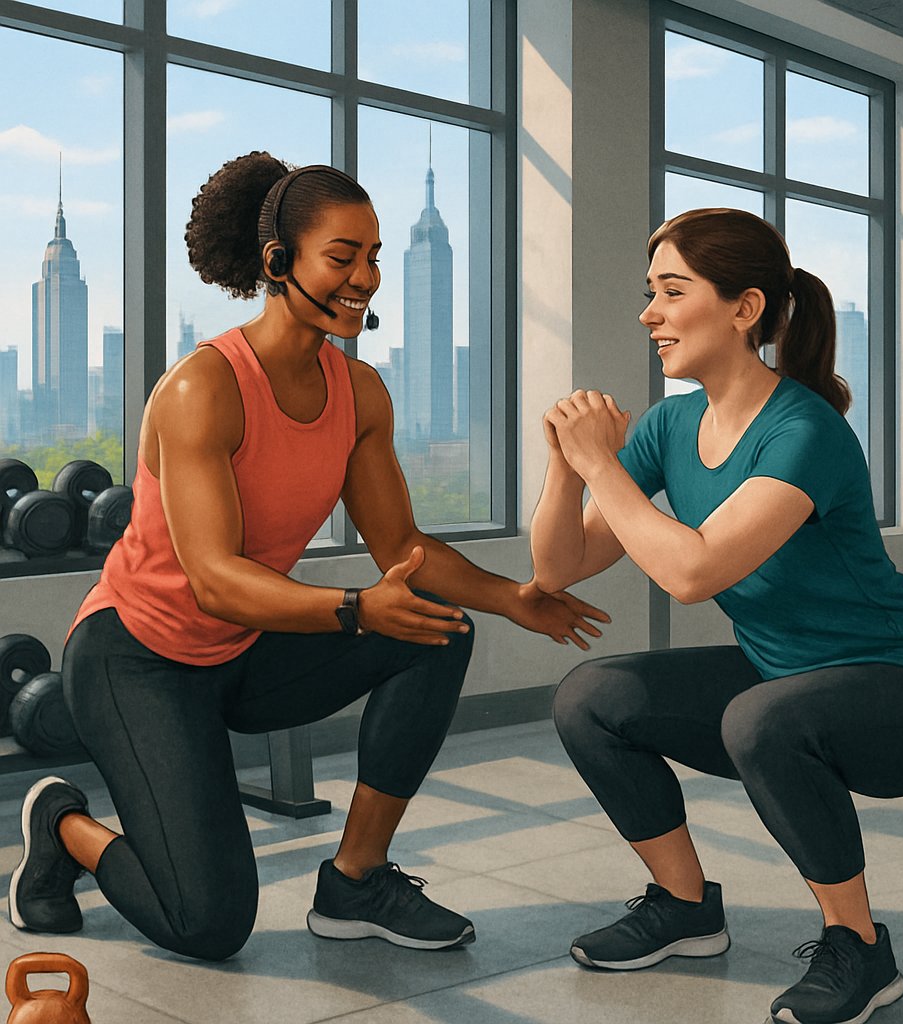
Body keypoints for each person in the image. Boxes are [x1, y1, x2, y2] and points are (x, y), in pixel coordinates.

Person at [9, 152, 609, 963]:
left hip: (245, 651)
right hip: (136, 658)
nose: (365, 276)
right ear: (278, 262)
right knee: (209, 925)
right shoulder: (202, 388)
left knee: (440, 630)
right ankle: (60, 825)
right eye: (342, 256)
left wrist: (516, 598)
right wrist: (357, 608)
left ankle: (356, 880)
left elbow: (402, 548)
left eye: (374, 257)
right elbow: (216, 579)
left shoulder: (359, 394)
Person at [530, 208, 903, 1024]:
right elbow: (559, 567)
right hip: (783, 674)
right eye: (648, 292)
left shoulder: (805, 430)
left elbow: (693, 571)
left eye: (672, 291)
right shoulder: (672, 426)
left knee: (760, 721)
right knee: (590, 696)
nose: (648, 313)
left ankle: (860, 949)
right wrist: (568, 471)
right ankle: (685, 906)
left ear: (744, 310)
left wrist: (601, 463)